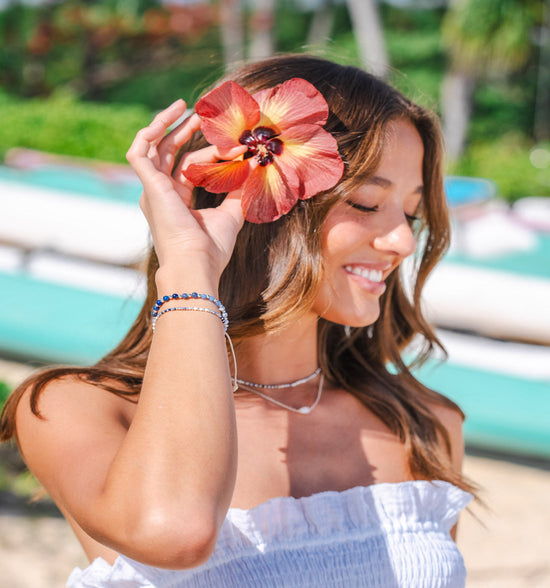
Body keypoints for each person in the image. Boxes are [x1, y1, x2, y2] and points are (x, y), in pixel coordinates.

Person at [0, 55, 476, 587]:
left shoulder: (423, 425)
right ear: (262, 206)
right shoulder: (75, 409)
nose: (405, 241)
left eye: (410, 214)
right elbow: (176, 533)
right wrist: (189, 267)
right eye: (366, 203)